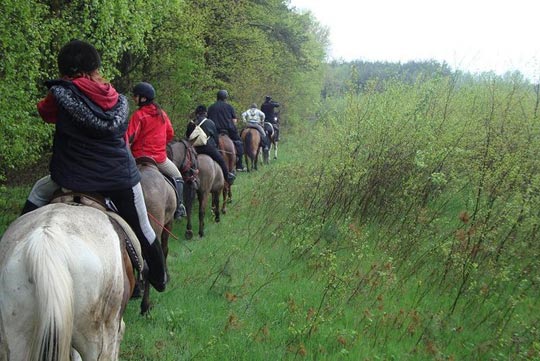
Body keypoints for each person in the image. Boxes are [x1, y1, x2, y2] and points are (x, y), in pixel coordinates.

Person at [19, 40, 167, 292]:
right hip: (120, 178)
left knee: (36, 194)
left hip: (70, 176)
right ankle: (159, 277)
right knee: (143, 227)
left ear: (65, 68)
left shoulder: (60, 94)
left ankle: (15, 248)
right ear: (95, 67)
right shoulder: (116, 98)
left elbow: (45, 113)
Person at [126, 81, 186, 219]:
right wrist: (159, 145)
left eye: (136, 96)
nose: (134, 98)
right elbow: (170, 133)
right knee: (177, 177)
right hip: (159, 160)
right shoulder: (162, 115)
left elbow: (129, 137)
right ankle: (179, 207)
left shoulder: (138, 115)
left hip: (139, 159)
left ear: (143, 98)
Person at [186, 105, 236, 185]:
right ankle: (227, 177)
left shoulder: (191, 123)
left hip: (194, 149)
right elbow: (216, 138)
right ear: (205, 113)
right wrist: (215, 147)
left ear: (196, 113)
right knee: (221, 160)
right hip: (208, 148)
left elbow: (188, 137)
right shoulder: (210, 122)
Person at [207, 89, 245, 171]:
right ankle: (239, 165)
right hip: (228, 131)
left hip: (214, 132)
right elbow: (234, 121)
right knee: (239, 143)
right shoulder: (229, 107)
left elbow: (208, 120)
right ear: (225, 97)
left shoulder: (211, 107)